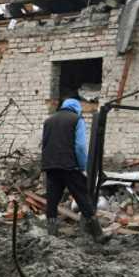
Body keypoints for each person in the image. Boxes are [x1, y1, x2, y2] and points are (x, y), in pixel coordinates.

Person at [41, 92, 109, 243]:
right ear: (76, 108)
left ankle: (51, 236)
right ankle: (98, 235)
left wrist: (46, 164)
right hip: (70, 166)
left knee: (52, 200)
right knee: (83, 198)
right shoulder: (76, 119)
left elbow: (44, 144)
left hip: (51, 166)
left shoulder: (48, 121)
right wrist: (82, 166)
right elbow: (79, 146)